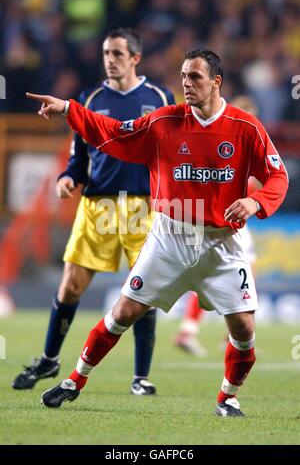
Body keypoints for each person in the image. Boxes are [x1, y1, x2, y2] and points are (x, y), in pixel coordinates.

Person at [27, 49, 288, 416]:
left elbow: (278, 175)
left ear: (216, 82)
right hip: (169, 237)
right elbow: (115, 133)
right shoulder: (164, 121)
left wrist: (256, 202)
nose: (186, 82)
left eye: (195, 77)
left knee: (244, 329)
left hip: (220, 242)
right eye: (183, 75)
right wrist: (70, 110)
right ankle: (74, 380)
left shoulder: (246, 127)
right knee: (123, 313)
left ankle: (228, 397)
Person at [12, 28, 175, 396]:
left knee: (142, 292)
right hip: (97, 204)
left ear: (135, 58)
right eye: (105, 53)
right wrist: (68, 178)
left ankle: (140, 377)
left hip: (142, 206)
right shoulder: (90, 98)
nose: (109, 59)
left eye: (117, 53)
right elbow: (78, 158)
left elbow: (170, 152)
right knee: (69, 286)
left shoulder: (160, 97)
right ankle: (50, 359)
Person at [174, 96, 260, 357]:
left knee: (208, 274)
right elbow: (247, 187)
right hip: (227, 223)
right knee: (245, 273)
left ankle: (190, 330)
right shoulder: (240, 142)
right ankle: (230, 336)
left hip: (216, 220)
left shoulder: (225, 140)